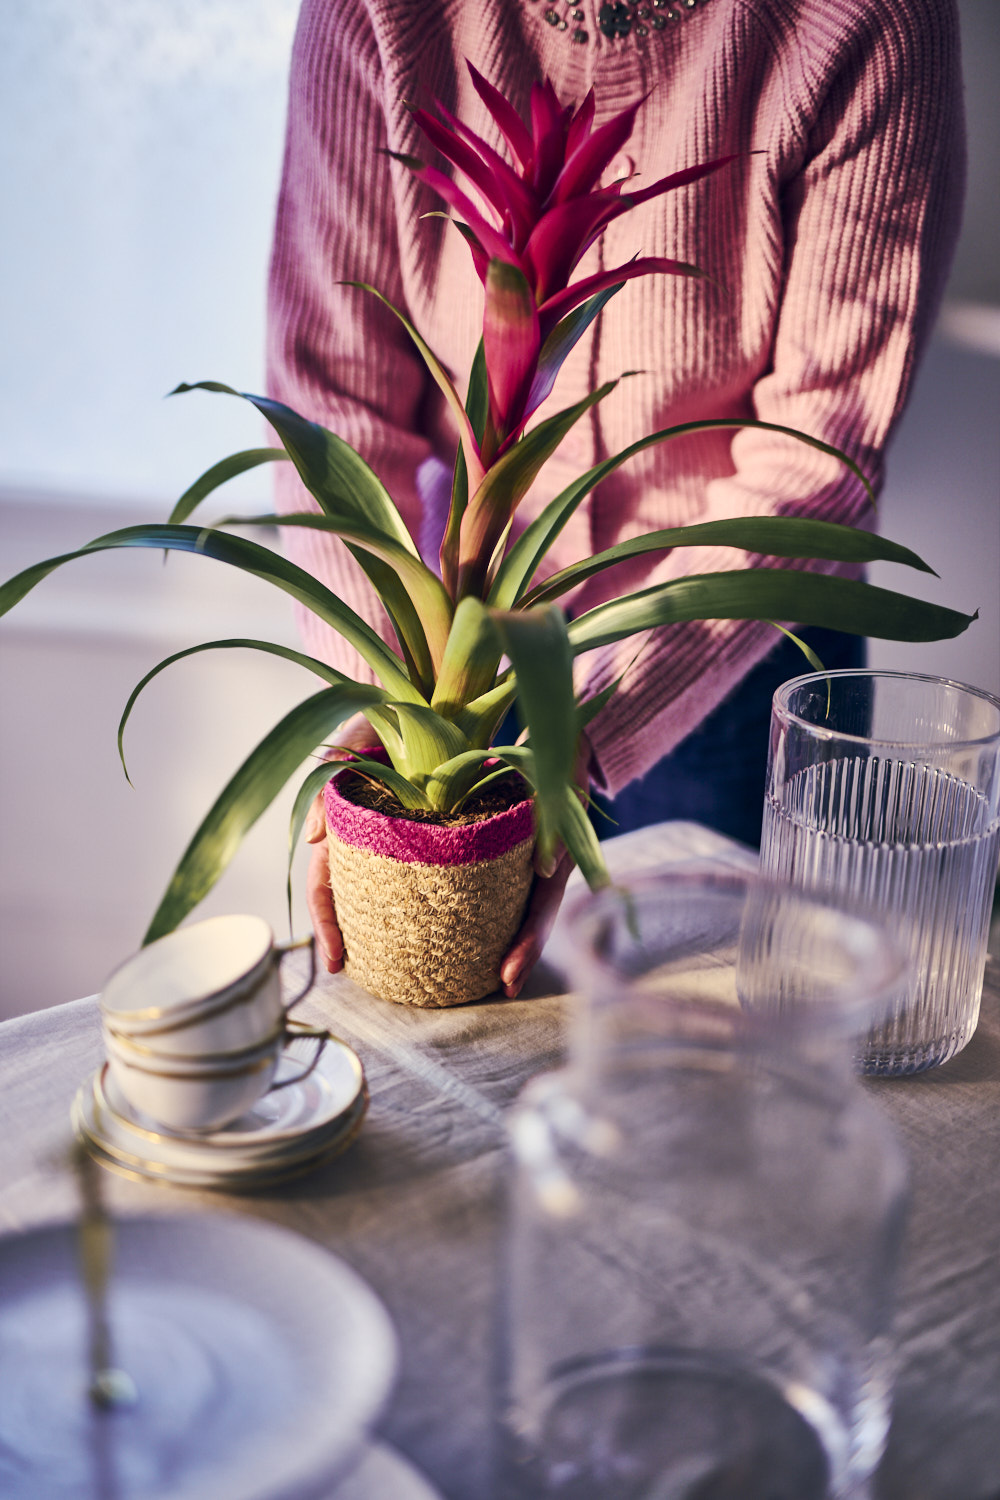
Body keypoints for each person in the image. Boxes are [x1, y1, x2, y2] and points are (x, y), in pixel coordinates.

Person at [266, 0, 964, 995]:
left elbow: (822, 446)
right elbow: (331, 393)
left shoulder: (866, 18)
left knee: (714, 1056)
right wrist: (380, 708)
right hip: (449, 654)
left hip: (731, 650)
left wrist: (581, 737)